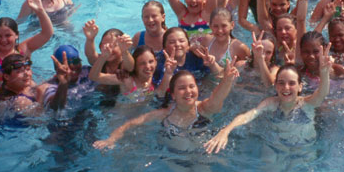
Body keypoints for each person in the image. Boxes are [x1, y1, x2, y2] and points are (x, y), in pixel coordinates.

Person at [204, 45, 331, 154]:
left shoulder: (307, 103)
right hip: (277, 148)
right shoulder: (271, 103)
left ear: (300, 87)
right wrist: (226, 130)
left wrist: (324, 72)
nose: (286, 88)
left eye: (292, 83)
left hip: (305, 150)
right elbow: (248, 115)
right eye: (281, 83)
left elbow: (322, 92)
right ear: (275, 85)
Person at [93, 59, 240, 150]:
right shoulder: (164, 114)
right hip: (174, 159)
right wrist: (111, 139)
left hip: (204, 154)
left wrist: (226, 80)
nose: (188, 91)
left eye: (191, 86)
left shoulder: (204, 108)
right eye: (182, 88)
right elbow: (130, 124)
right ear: (173, 95)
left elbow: (217, 97)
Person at [0, 0, 54, 82]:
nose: (3, 40)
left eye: (8, 35)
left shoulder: (24, 49)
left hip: (25, 91)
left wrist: (40, 11)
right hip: (0, 93)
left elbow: (47, 33)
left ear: (16, 35)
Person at [89, 44, 173, 102]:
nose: (148, 66)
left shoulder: (155, 79)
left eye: (151, 61)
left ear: (156, 62)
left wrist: (168, 73)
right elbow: (94, 77)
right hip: (118, 122)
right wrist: (103, 57)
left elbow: (161, 93)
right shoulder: (126, 79)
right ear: (135, 66)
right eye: (142, 63)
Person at [41, 45, 95, 111]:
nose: (72, 66)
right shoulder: (52, 86)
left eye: (76, 61)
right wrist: (63, 84)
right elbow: (55, 108)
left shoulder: (87, 72)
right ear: (56, 68)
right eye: (66, 64)